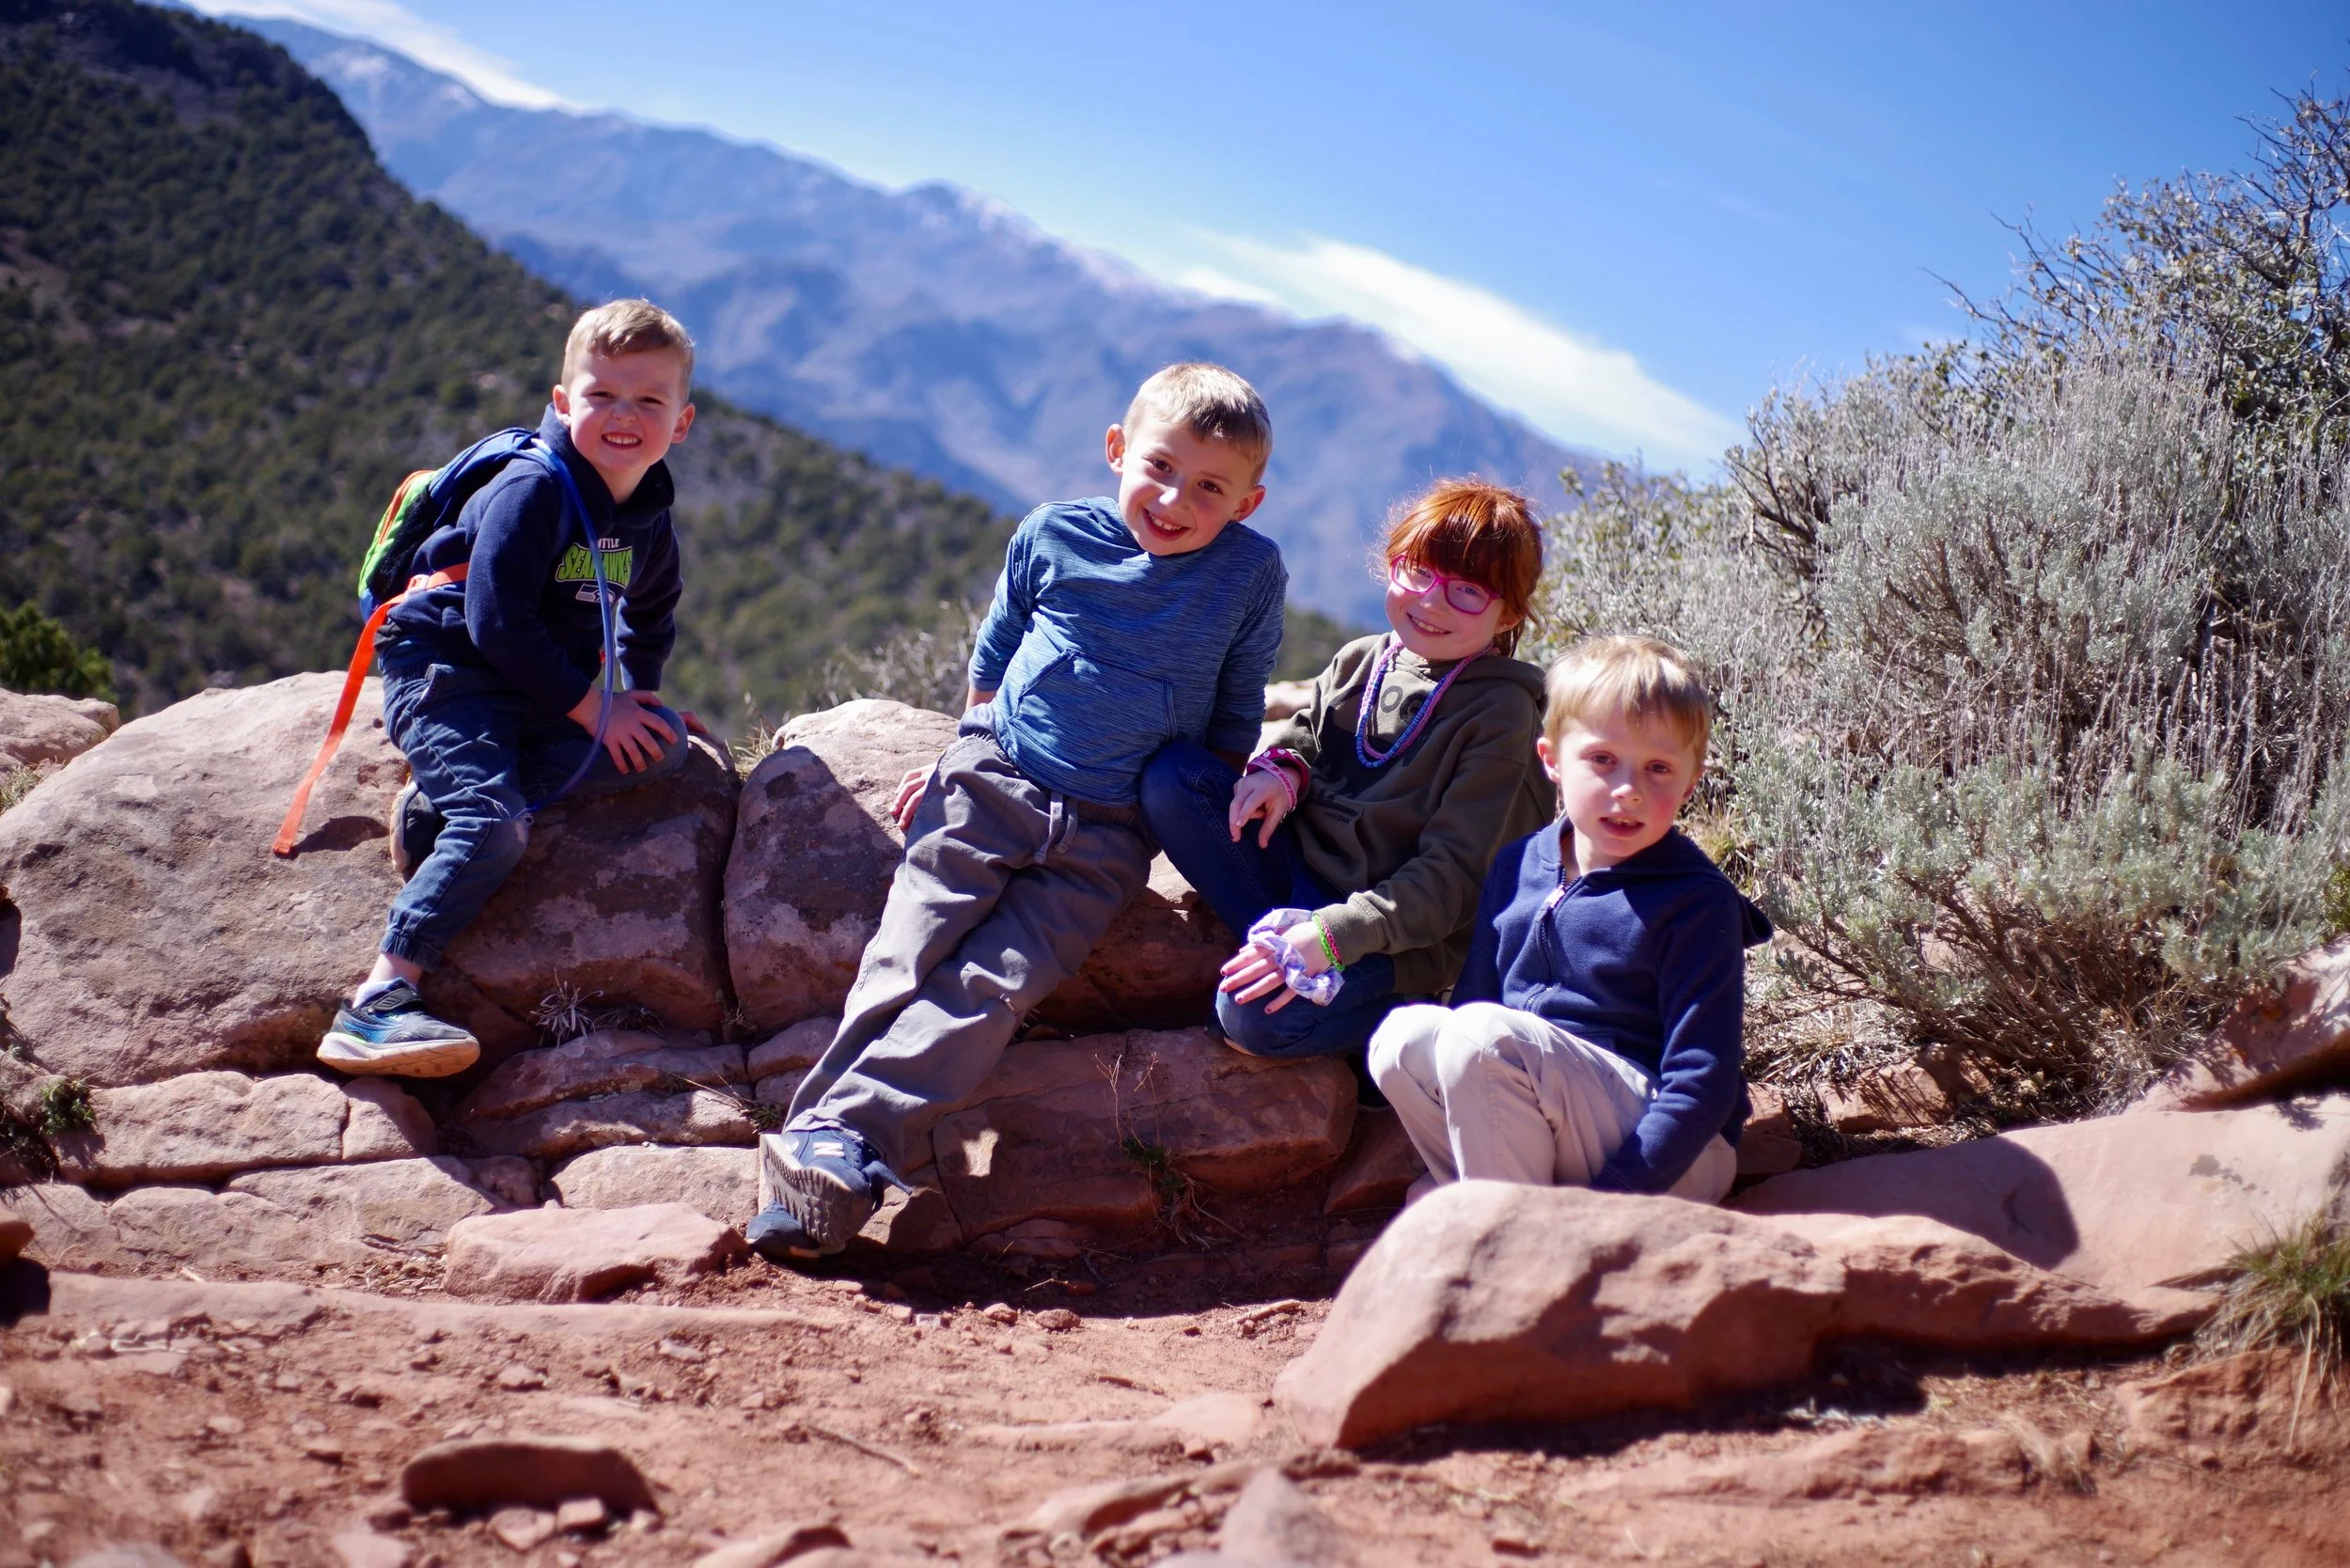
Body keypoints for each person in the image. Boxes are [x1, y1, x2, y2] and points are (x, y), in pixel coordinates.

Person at [749, 363, 1288, 1261]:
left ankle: (832, 1149)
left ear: (1248, 502)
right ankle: (836, 1154)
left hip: (1107, 839)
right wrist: (961, 750)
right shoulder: (1054, 535)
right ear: (1117, 450)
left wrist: (1207, 809)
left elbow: (1236, 706)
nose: (1174, 500)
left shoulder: (1248, 575)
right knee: (909, 949)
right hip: (998, 784)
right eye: (1158, 467)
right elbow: (993, 658)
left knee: (990, 988)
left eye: (1209, 488)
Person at [315, 300, 698, 1077]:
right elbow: (495, 624)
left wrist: (640, 698)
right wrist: (595, 707)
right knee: (498, 826)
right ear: (562, 403)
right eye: (602, 396)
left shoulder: (648, 517)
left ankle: (438, 812)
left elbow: (651, 615)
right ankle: (380, 998)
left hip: (534, 689)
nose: (624, 417)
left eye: (649, 401)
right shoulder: (535, 489)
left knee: (664, 750)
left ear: (681, 423)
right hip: (449, 668)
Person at [1138, 479, 1555, 1069]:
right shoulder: (1366, 658)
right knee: (1173, 778)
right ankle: (1283, 951)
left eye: (1467, 591)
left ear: (1509, 611)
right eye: (1418, 572)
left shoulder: (1500, 714)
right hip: (1304, 877)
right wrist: (1282, 772)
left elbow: (1450, 882)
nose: (1432, 602)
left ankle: (1374, 1025)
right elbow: (1309, 732)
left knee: (1250, 1016)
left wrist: (1329, 939)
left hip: (1396, 935)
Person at [1369, 635, 1772, 1202]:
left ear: (1691, 781)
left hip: (1668, 1154)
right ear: (1552, 760)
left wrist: (1613, 1194)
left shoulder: (1694, 901)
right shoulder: (1518, 864)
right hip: (1547, 1119)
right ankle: (1497, 1205)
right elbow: (1471, 1007)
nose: (1628, 790)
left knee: (1482, 1036)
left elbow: (1702, 1082)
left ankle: (1516, 1232)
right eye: (1603, 760)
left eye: (1658, 768)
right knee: (1402, 1040)